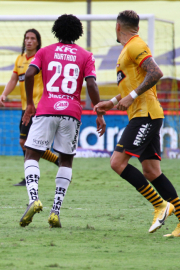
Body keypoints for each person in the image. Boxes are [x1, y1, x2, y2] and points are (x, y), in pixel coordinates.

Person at [94, 10, 180, 237]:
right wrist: (110, 102)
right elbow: (133, 85)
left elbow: (156, 72)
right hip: (143, 114)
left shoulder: (134, 46)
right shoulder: (128, 50)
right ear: (137, 27)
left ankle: (160, 205)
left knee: (117, 162)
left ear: (117, 27)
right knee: (152, 171)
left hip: (146, 115)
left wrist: (131, 96)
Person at [19, 14, 106, 228]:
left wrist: (30, 103)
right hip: (72, 112)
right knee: (66, 160)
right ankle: (55, 211)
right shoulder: (86, 55)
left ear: (56, 30)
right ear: (78, 33)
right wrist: (99, 112)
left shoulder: (44, 51)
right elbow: (92, 85)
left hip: (46, 108)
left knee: (31, 154)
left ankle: (33, 199)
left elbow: (29, 75)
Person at [0, 29, 59, 187]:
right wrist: (4, 94)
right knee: (25, 143)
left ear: (38, 42)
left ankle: (30, 177)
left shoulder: (42, 58)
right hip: (26, 108)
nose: (29, 41)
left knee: (26, 142)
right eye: (27, 38)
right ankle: (57, 161)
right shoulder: (20, 59)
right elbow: (13, 79)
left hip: (39, 108)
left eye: (32, 38)